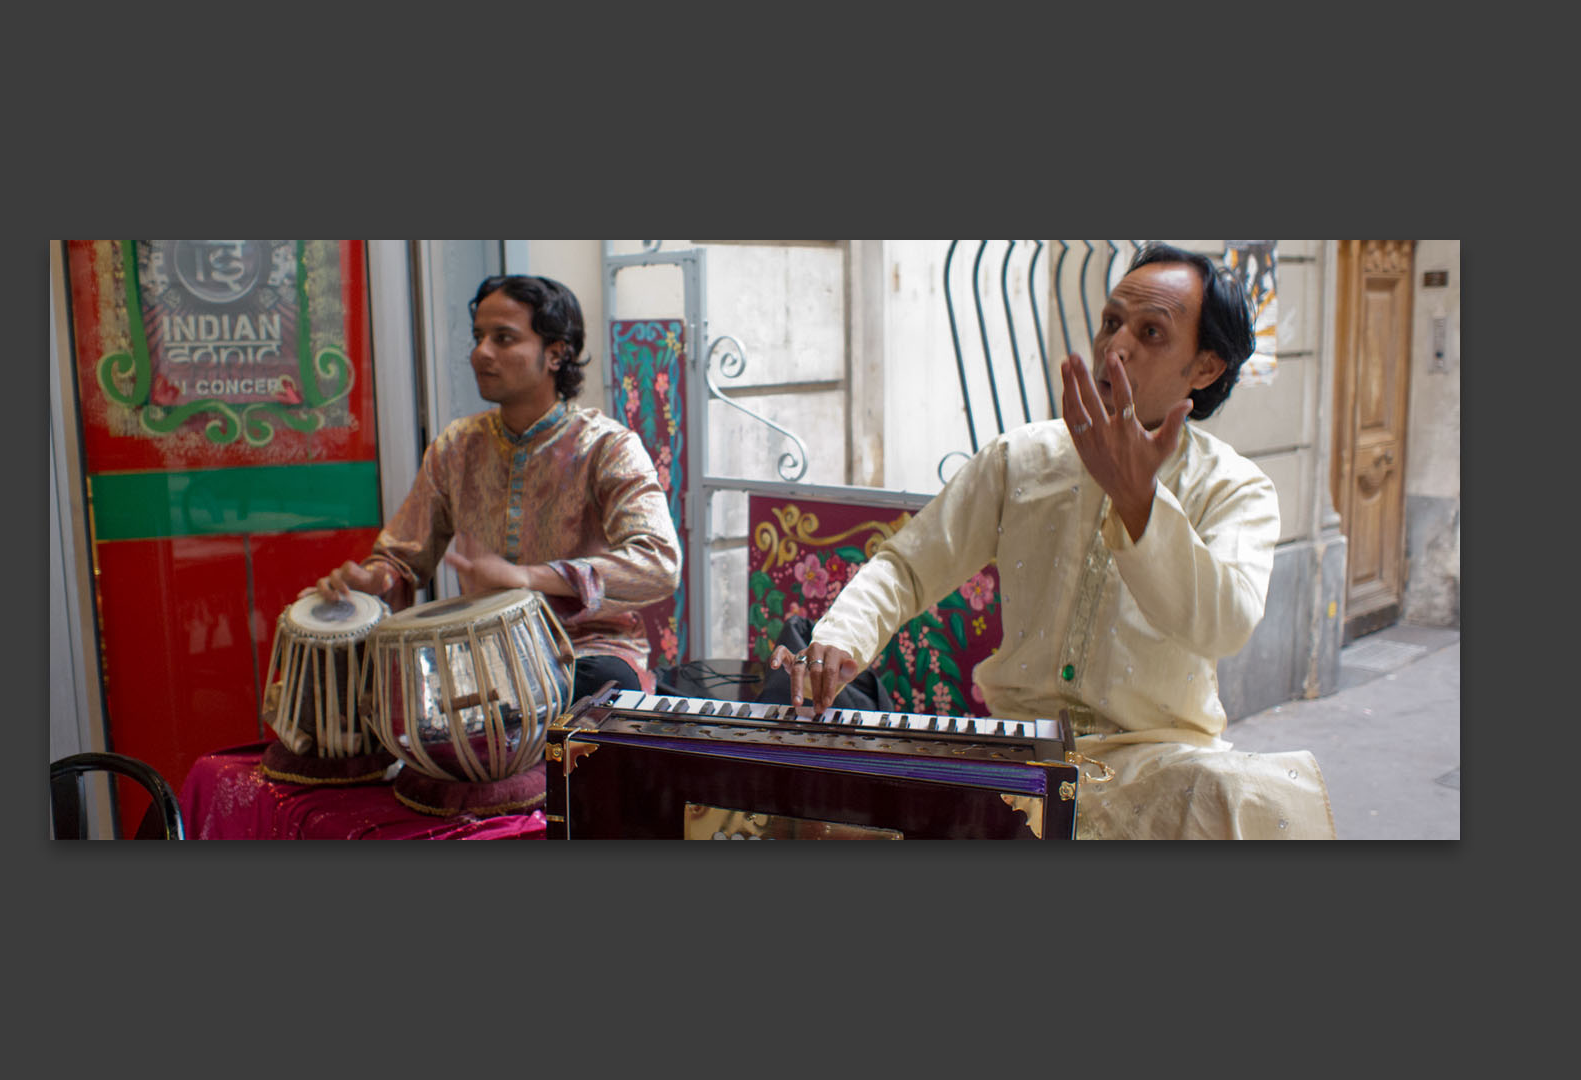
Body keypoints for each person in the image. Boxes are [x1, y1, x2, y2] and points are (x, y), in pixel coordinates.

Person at [769, 242, 1334, 839]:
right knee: (829, 805)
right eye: (1112, 323)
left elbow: (1228, 623)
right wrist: (838, 638)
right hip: (1018, 754)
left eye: (1150, 333)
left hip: (1158, 764)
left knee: (1241, 793)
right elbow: (909, 568)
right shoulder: (1022, 459)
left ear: (1205, 368)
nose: (1116, 347)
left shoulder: (1236, 488)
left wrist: (1140, 504)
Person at [306, 274, 680, 701]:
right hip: (478, 654)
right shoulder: (455, 448)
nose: (481, 353)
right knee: (358, 676)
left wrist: (528, 577)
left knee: (599, 688)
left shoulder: (607, 447)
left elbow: (659, 564)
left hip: (584, 650)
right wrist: (374, 580)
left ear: (555, 354)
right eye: (479, 337)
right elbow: (404, 559)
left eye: (504, 338)